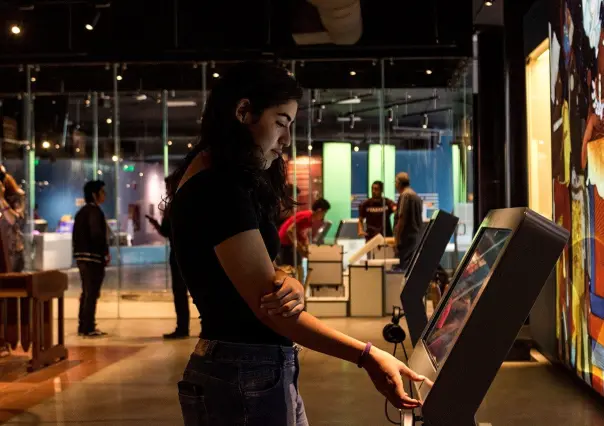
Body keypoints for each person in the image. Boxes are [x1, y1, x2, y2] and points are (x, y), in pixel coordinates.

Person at [168, 62, 424, 426]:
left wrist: (289, 279)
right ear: (244, 112)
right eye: (281, 122)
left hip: (247, 372)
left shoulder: (213, 176)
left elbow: (259, 279)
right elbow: (269, 309)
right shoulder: (219, 187)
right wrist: (368, 355)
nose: (287, 139)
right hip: (244, 376)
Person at [146, 178, 191, 339]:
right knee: (183, 291)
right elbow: (167, 232)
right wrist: (156, 224)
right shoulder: (180, 204)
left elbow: (168, 232)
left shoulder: (175, 206)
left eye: (168, 187)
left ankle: (183, 328)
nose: (166, 190)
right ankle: (185, 327)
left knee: (180, 292)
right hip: (184, 252)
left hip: (180, 253)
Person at [73, 180, 110, 338]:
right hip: (93, 258)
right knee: (92, 292)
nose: (104, 195)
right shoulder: (95, 212)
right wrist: (104, 251)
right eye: (102, 192)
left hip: (82, 257)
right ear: (95, 195)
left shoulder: (81, 212)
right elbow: (96, 235)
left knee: (87, 292)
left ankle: (83, 325)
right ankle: (88, 327)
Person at [278, 198, 330, 267]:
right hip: (285, 244)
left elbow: (301, 233)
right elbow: (290, 231)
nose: (324, 216)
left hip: (289, 244)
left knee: (299, 265)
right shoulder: (306, 216)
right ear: (319, 210)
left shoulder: (309, 218)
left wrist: (305, 244)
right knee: (293, 267)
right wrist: (299, 247)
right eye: (324, 213)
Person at [394, 172, 423, 271]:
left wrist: (397, 238)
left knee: (402, 267)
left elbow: (402, 217)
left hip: (405, 237)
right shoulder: (416, 196)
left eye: (395, 182)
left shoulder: (405, 196)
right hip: (415, 237)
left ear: (399, 183)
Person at [0, 167, 25, 272]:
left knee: (11, 285)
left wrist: (1, 199)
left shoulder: (16, 197)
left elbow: (13, 220)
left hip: (11, 253)